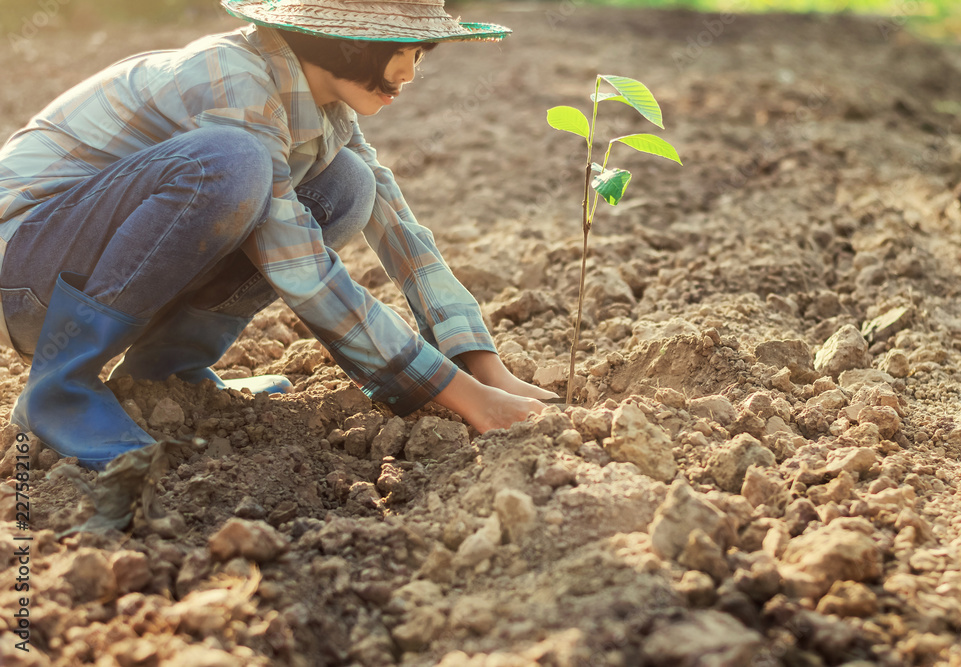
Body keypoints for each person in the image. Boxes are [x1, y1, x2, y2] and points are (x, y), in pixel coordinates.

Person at [0, 0, 558, 470]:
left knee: (349, 186)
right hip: (26, 273)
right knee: (233, 164)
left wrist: (479, 362)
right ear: (349, 45)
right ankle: (60, 388)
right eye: (404, 52)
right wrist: (459, 396)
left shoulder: (324, 105)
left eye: (419, 55)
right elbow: (299, 267)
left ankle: (166, 374)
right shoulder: (231, 77)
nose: (411, 73)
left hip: (74, 261)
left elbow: (395, 223)